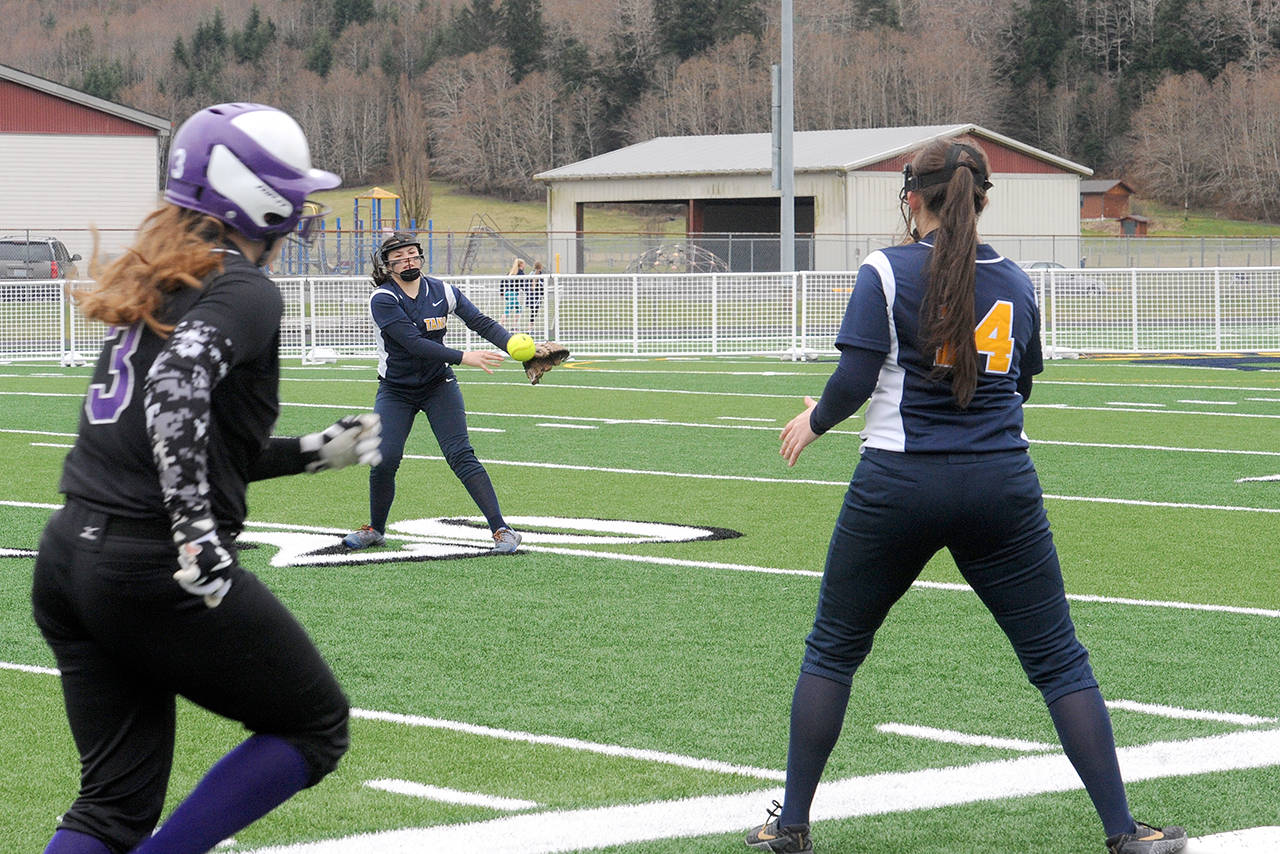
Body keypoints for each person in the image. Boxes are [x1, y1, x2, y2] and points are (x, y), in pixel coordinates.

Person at [746, 139, 1186, 854]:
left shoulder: (886, 269)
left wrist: (814, 419)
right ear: (982, 199)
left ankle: (789, 825)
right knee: (1059, 661)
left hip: (899, 483)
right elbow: (1021, 383)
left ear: (911, 197)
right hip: (999, 484)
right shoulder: (1016, 280)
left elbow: (855, 380)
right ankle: (1122, 830)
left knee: (832, 651)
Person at [32, 103, 383, 854]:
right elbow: (177, 392)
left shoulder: (161, 278)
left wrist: (310, 453)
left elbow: (177, 438)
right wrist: (195, 532)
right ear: (261, 198)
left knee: (109, 810)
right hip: (150, 564)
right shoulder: (242, 289)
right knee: (313, 725)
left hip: (70, 556)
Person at [341, 232, 522, 554]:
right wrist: (464, 356)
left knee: (461, 455)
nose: (408, 261)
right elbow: (413, 343)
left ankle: (502, 529)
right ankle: (376, 530)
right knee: (384, 458)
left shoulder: (443, 291)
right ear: (387, 266)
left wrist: (515, 347)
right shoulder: (384, 298)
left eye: (413, 254)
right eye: (399, 257)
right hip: (396, 390)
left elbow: (480, 321)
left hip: (439, 385)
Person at [500, 256, 525, 323]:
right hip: (512, 294)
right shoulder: (520, 273)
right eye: (524, 264)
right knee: (507, 310)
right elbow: (523, 284)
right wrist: (527, 292)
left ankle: (514, 326)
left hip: (507, 293)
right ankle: (500, 324)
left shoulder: (511, 272)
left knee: (519, 308)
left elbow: (502, 281)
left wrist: (502, 293)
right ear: (521, 265)